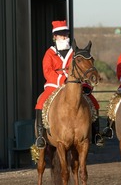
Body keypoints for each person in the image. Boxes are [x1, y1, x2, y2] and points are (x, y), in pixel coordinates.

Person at [35, 20, 103, 148]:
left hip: (75, 84)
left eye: (66, 34)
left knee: (93, 102)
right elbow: (47, 71)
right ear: (55, 37)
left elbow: (84, 70)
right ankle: (40, 135)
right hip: (54, 84)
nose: (64, 37)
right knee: (41, 102)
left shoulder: (74, 53)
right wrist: (62, 79)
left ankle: (96, 133)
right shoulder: (49, 53)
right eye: (61, 35)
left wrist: (87, 86)